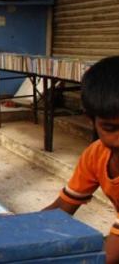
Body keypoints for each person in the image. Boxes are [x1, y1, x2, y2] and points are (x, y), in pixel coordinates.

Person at [43, 56, 119, 264]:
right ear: (91, 121)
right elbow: (62, 208)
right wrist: (19, 229)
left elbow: (110, 256)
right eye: (111, 129)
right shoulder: (95, 155)